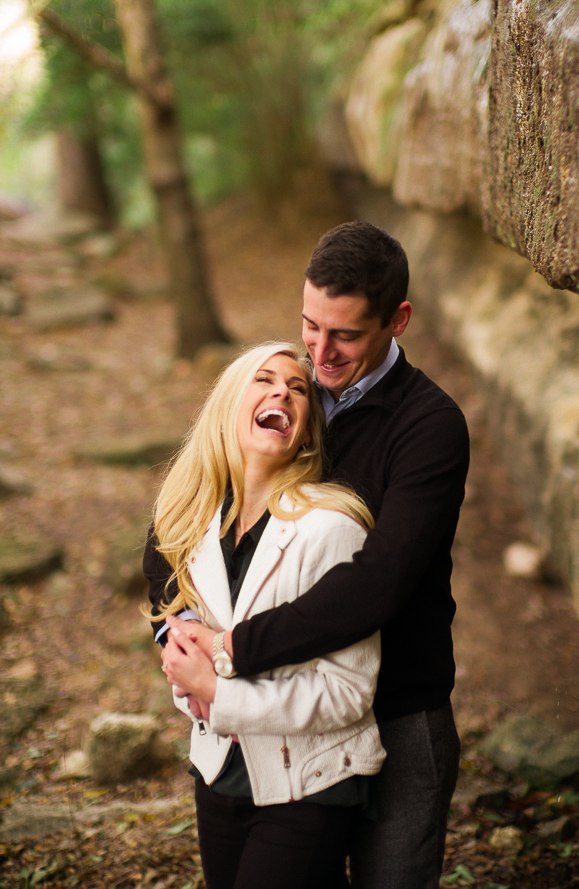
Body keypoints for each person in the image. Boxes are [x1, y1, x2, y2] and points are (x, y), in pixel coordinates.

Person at [146, 221, 470, 889]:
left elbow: (377, 582)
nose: (319, 352)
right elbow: (180, 522)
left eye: (345, 334)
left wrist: (231, 648)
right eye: (309, 326)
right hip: (280, 712)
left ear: (397, 320)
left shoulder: (428, 426)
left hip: (397, 707)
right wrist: (176, 634)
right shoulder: (287, 395)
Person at [147, 341, 386, 889]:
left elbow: (348, 693)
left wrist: (218, 688)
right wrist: (185, 672)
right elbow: (175, 632)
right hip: (217, 773)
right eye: (264, 379)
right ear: (229, 407)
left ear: (305, 430)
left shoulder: (333, 528)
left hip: (309, 782)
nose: (282, 390)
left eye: (299, 388)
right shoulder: (194, 524)